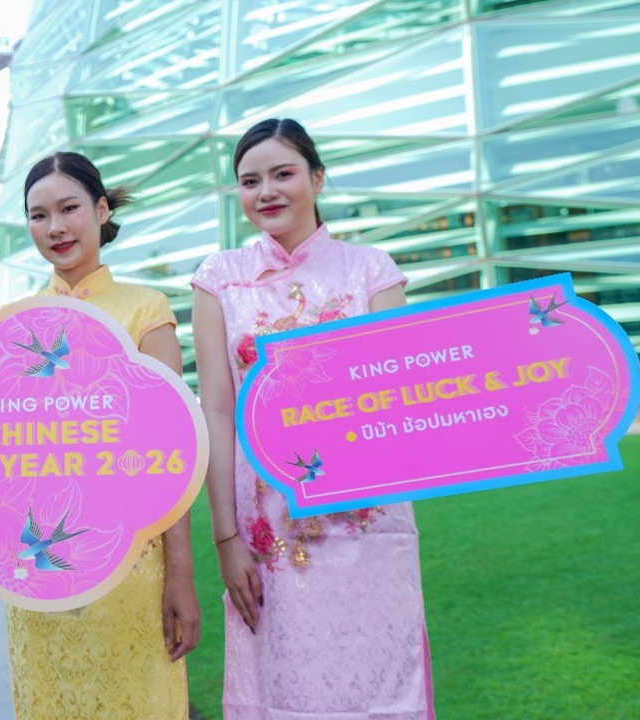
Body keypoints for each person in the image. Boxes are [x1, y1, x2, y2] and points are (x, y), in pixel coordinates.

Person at [191, 118, 435, 718]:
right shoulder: (220, 279)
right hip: (267, 534)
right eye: (250, 181)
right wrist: (226, 539)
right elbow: (217, 408)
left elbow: (396, 397)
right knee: (284, 691)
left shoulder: (371, 271)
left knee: (380, 687)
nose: (266, 191)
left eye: (283, 173)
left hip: (369, 527)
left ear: (317, 178)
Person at [7, 151, 201, 719]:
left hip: (131, 569)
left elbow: (172, 454)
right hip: (39, 568)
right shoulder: (15, 325)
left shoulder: (146, 311)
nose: (55, 227)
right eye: (38, 215)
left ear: (101, 209)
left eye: (69, 208)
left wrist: (181, 575)